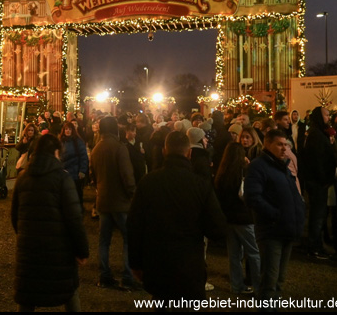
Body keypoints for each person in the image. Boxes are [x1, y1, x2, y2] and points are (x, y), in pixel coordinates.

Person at [129, 130, 227, 302]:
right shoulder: (200, 185)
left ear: (164, 151)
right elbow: (217, 229)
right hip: (189, 264)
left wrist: (135, 263)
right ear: (189, 153)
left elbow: (134, 225)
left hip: (157, 262)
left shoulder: (149, 182)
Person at [12, 134, 89, 311]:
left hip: (29, 250)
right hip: (59, 251)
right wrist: (81, 250)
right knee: (69, 292)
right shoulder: (63, 179)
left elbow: (15, 216)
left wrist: (26, 235)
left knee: (27, 296)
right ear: (56, 152)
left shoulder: (23, 178)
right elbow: (74, 218)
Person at [245, 129, 306, 304]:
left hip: (286, 228)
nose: (284, 148)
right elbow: (252, 197)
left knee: (279, 279)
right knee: (269, 281)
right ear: (267, 144)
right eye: (279, 144)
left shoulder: (282, 166)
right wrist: (275, 215)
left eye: (286, 145)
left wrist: (299, 208)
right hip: (272, 231)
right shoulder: (258, 166)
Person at [89, 116, 138, 290]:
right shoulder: (119, 148)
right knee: (128, 239)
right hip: (121, 202)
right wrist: (132, 194)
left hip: (103, 200)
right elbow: (127, 176)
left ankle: (104, 274)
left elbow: (93, 176)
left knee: (104, 240)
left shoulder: (96, 149)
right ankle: (127, 276)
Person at [215, 142, 260, 295]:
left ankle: (236, 286)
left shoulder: (222, 173)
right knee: (254, 253)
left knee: (234, 255)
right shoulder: (242, 172)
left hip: (228, 218)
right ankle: (259, 286)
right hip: (244, 218)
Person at [299, 106, 336, 259]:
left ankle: (317, 244)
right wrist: (323, 179)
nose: (329, 118)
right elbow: (316, 160)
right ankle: (314, 247)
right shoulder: (316, 134)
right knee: (317, 216)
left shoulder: (320, 132)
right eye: (326, 115)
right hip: (317, 182)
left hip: (319, 181)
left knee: (319, 215)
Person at [60, 120, 89, 211]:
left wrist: (82, 170)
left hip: (75, 172)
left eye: (69, 129)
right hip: (64, 172)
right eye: (66, 129)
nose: (68, 131)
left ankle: (78, 209)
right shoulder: (61, 141)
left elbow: (83, 157)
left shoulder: (78, 141)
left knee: (76, 193)